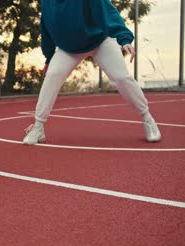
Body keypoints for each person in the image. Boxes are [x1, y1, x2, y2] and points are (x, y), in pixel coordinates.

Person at [23, 0, 161, 145]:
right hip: (69, 49)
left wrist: (124, 39)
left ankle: (147, 118)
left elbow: (109, 13)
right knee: (52, 76)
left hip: (100, 42)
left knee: (121, 77)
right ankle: (38, 127)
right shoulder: (46, 2)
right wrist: (49, 58)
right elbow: (46, 29)